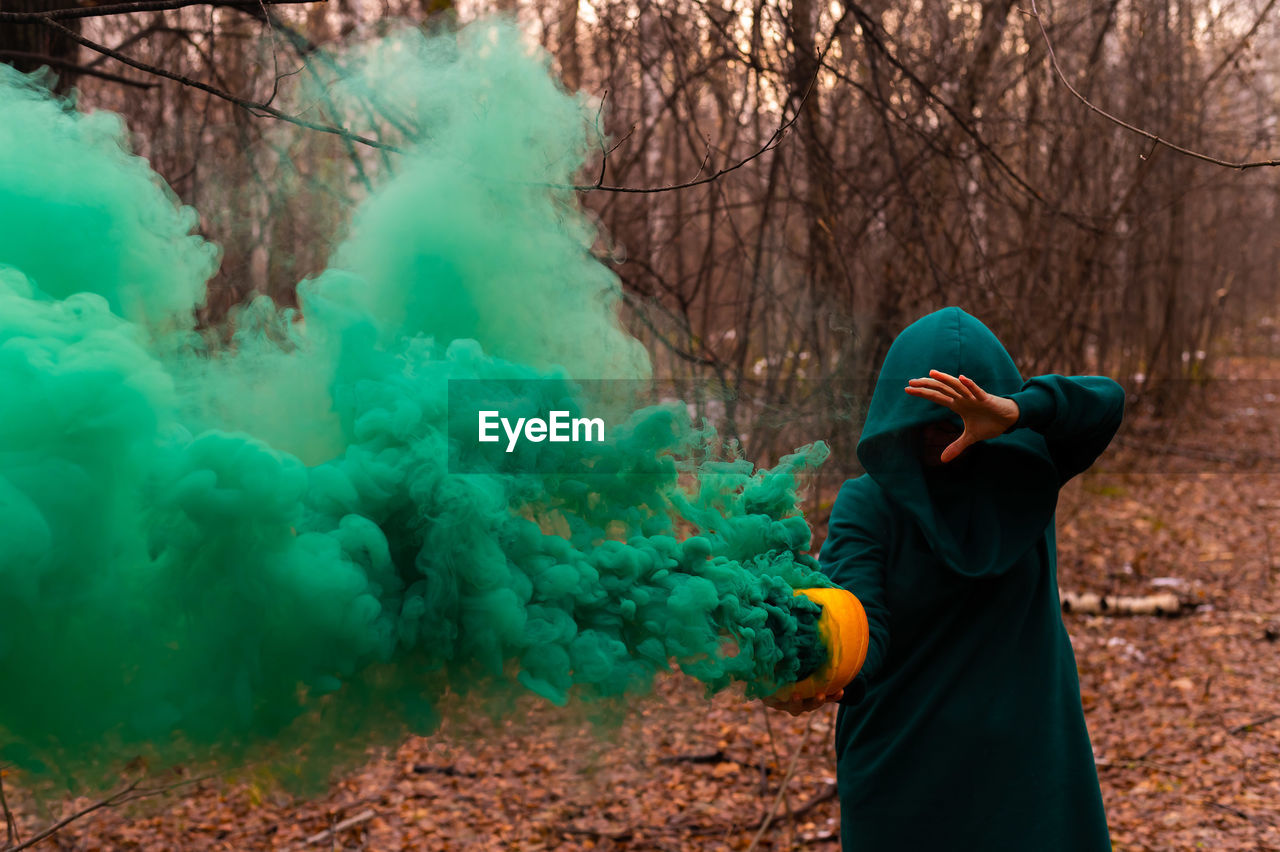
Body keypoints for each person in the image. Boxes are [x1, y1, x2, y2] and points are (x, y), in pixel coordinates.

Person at [768, 306, 1123, 851]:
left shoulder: (1026, 475)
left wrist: (1016, 411)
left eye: (958, 414)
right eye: (925, 414)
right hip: (906, 774)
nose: (941, 433)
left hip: (1029, 771)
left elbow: (1104, 403)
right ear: (895, 411)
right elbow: (859, 617)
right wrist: (816, 660)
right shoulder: (871, 503)